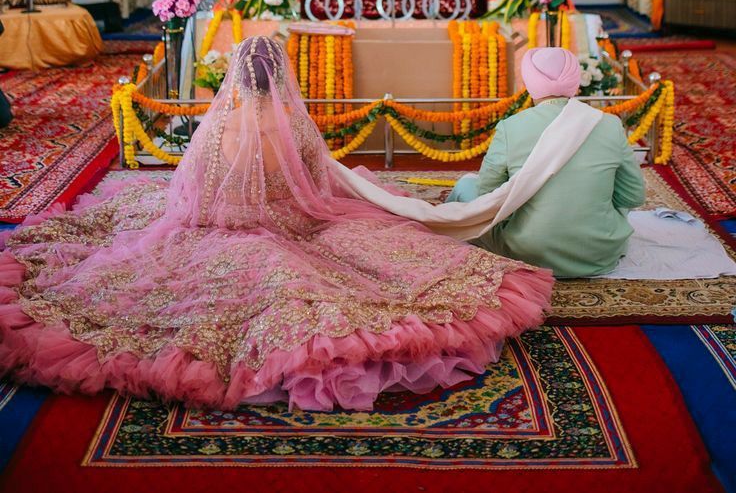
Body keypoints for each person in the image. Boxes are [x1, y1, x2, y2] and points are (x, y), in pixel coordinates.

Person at [0, 37, 552, 413]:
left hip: (216, 226)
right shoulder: (297, 130)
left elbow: (189, 192)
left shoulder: (216, 129)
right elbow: (317, 189)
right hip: (289, 225)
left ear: (236, 78)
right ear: (281, 78)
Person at [447, 47, 646, 278]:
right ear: (575, 79)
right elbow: (634, 196)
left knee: (466, 187)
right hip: (599, 254)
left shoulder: (511, 127)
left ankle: (443, 238)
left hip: (528, 253)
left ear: (530, 82)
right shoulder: (609, 124)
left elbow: (485, 194)